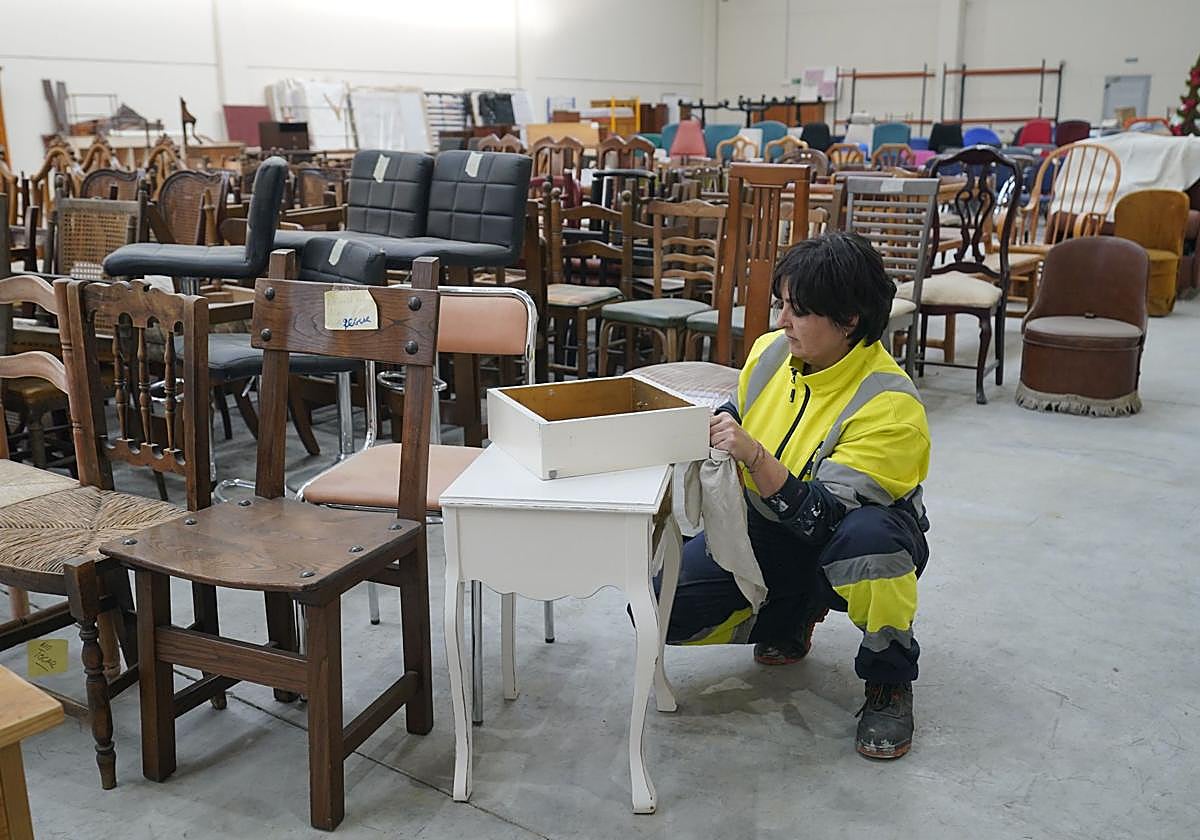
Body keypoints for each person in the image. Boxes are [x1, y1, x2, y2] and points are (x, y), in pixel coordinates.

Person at [664, 232, 931, 759]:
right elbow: (736, 415)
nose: (782, 321)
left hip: (846, 537)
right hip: (768, 525)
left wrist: (757, 456)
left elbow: (824, 522)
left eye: (799, 311)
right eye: (781, 304)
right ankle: (792, 613)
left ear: (849, 320)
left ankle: (888, 679)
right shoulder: (771, 352)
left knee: (870, 547)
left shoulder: (891, 408)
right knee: (660, 607)